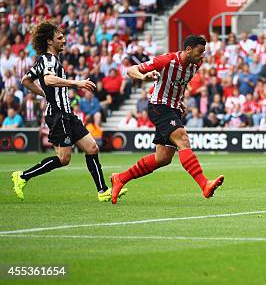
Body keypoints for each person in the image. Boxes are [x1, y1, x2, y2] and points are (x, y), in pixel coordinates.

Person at [11, 21, 126, 202]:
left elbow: (26, 80)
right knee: (64, 159)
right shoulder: (48, 60)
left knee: (92, 147)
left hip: (67, 114)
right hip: (58, 114)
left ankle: (102, 190)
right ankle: (23, 176)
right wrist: (76, 83)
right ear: (49, 41)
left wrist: (44, 94)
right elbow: (48, 80)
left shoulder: (46, 61)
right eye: (60, 38)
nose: (64, 40)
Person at [110, 35, 224, 204]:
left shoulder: (196, 64)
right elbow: (131, 70)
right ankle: (204, 184)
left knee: (162, 158)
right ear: (188, 50)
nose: (202, 56)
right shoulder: (166, 60)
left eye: (204, 52)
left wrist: (180, 102)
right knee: (183, 139)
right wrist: (143, 77)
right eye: (200, 51)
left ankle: (120, 178)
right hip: (159, 106)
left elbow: (179, 84)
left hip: (173, 108)